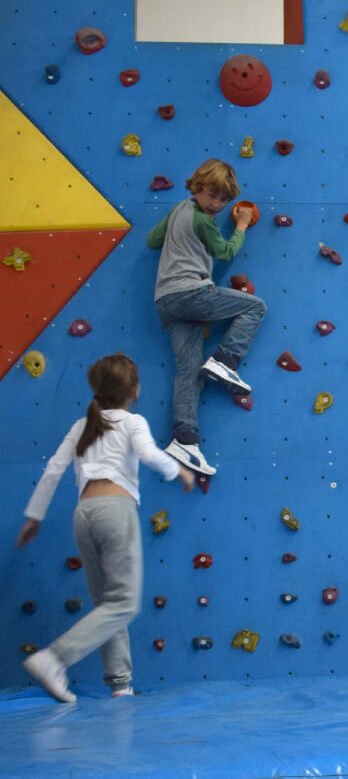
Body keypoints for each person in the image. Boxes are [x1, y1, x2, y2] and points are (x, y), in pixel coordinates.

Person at [15, 353, 194, 702]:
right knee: (124, 604)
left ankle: (120, 685)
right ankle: (54, 658)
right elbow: (149, 454)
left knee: (107, 607)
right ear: (134, 390)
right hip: (115, 510)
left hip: (84, 514)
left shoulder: (82, 425)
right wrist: (180, 471)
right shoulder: (133, 422)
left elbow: (53, 469)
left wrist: (35, 516)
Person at [148, 158, 266, 475]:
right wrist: (240, 224)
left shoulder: (179, 210)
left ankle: (184, 440)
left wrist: (180, 240)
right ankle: (225, 360)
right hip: (191, 293)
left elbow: (153, 241)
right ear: (197, 188)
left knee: (189, 371)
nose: (216, 204)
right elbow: (225, 253)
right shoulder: (204, 221)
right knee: (255, 307)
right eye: (211, 195)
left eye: (223, 200)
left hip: (166, 301)